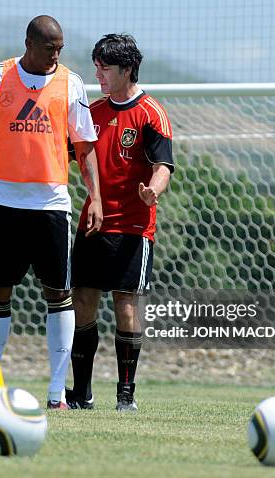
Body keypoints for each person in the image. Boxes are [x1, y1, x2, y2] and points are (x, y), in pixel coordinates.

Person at [0, 15, 102, 410]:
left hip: (52, 206)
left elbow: (84, 146)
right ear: (30, 44)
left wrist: (96, 197)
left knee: (58, 295)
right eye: (50, 47)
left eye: (61, 48)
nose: (56, 55)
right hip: (5, 204)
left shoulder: (71, 84)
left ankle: (55, 393)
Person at [67, 34, 174, 411]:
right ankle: (81, 393)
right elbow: (60, 153)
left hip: (133, 226)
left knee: (127, 307)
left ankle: (125, 396)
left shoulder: (151, 113)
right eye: (96, 66)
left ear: (126, 69)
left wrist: (153, 191)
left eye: (105, 67)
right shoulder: (92, 112)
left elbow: (164, 165)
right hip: (93, 222)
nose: (98, 73)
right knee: (82, 301)